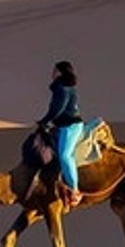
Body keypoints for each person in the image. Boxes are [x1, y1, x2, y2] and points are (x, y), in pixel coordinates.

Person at [36, 60, 86, 205]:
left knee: (65, 155)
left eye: (54, 70)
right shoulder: (62, 87)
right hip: (62, 125)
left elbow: (58, 108)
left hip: (70, 126)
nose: (52, 73)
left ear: (60, 72)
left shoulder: (63, 88)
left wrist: (45, 121)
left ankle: (75, 190)